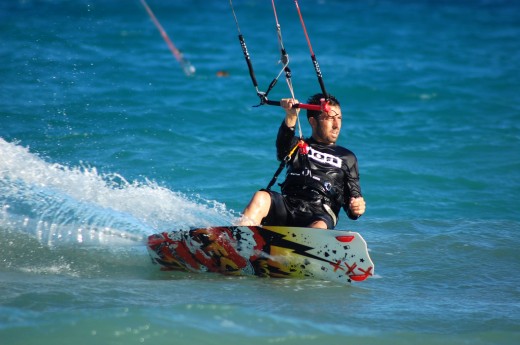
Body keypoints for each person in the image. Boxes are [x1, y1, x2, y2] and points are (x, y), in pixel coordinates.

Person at [238, 93, 366, 229]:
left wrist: (356, 206)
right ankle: (238, 240)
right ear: (313, 121)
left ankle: (309, 246)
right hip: (288, 204)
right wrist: (291, 116)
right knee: (261, 197)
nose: (336, 125)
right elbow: (282, 151)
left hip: (320, 213)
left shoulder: (347, 157)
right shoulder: (297, 145)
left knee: (319, 226)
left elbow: (353, 199)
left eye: (339, 118)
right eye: (330, 118)